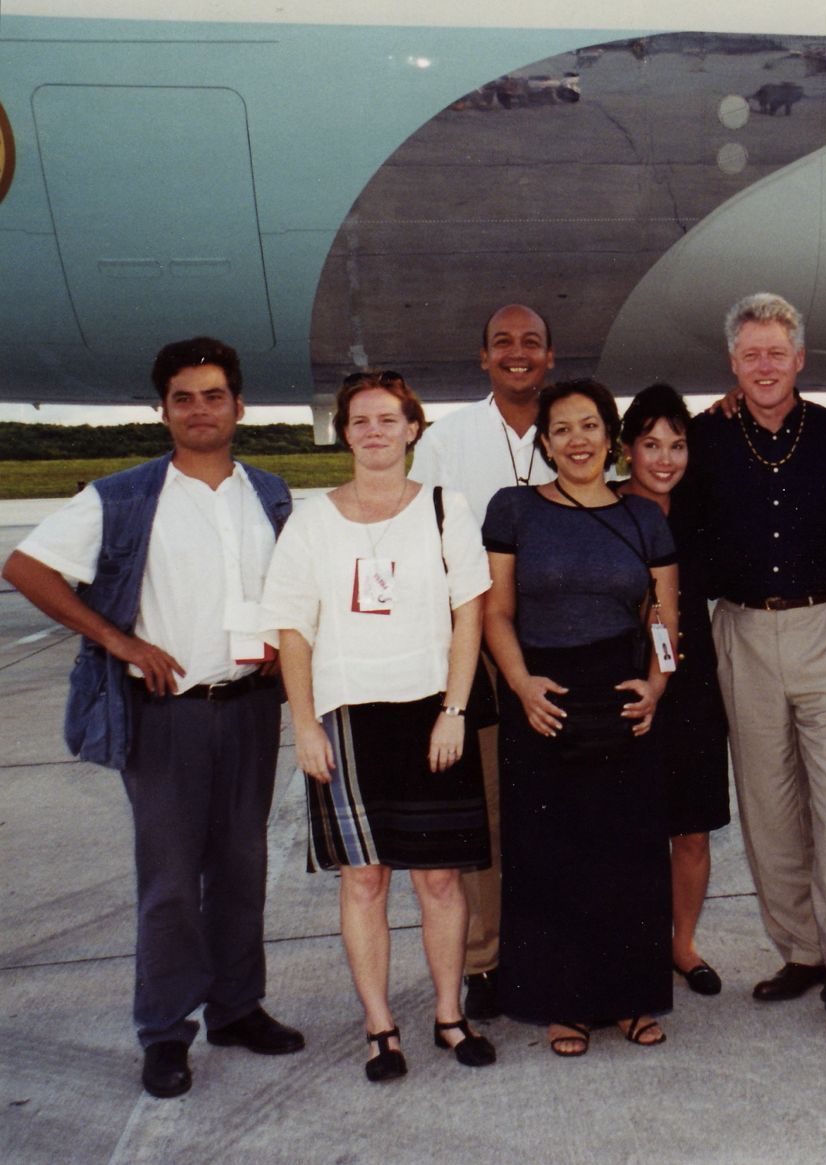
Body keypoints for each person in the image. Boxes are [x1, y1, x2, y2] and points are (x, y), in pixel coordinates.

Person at [2, 337, 304, 1099]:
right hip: (166, 716)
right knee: (169, 881)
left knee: (242, 868)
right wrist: (116, 636)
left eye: (213, 395)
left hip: (248, 709)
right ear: (162, 409)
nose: (199, 410)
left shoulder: (269, 493)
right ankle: (166, 1030)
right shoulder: (124, 495)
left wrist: (277, 644)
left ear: (239, 405)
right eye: (183, 397)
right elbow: (24, 567)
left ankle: (237, 1006)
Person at [263, 370, 496, 1083]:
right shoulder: (311, 520)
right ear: (345, 432)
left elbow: (470, 613)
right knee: (364, 880)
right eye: (360, 420)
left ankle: (450, 1015)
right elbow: (293, 631)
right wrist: (304, 724)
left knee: (439, 881)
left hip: (431, 714)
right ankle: (379, 1026)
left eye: (387, 419)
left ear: (412, 428)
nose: (374, 431)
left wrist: (455, 709)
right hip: (347, 718)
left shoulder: (443, 507)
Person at [679, 292, 826, 1029]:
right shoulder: (707, 439)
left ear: (800, 359)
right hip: (742, 630)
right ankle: (801, 950)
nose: (765, 366)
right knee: (768, 805)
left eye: (777, 352)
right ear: (733, 364)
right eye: (751, 354)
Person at [482, 378, 679, 1056]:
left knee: (626, 852)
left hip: (621, 693)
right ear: (543, 443)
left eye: (589, 425)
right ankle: (561, 1001)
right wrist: (520, 684)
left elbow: (664, 616)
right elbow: (496, 611)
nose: (576, 440)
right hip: (542, 690)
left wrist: (656, 684)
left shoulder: (643, 517)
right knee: (551, 855)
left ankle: (629, 995)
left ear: (610, 437)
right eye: (561, 428)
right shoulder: (514, 510)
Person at [409, 303, 556, 1020]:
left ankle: (562, 945)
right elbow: (420, 543)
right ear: (483, 357)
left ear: (550, 358)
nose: (517, 353)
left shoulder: (573, 427)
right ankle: (486, 960)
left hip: (564, 645)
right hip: (483, 652)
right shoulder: (446, 440)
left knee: (563, 807)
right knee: (491, 812)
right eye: (503, 343)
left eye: (531, 343)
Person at [617, 383, 731, 996]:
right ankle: (633, 944)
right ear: (627, 449)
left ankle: (681, 944)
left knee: (692, 827)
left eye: (678, 445)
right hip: (624, 683)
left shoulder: (696, 507)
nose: (665, 459)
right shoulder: (606, 508)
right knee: (631, 825)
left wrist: (726, 405)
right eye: (651, 444)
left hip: (691, 682)